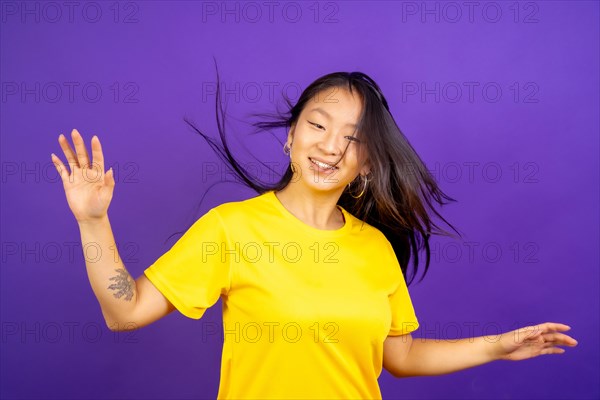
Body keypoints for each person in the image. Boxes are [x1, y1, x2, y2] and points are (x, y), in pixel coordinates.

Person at [51, 71, 578, 399]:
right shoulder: (232, 229)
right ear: (291, 137)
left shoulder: (373, 248)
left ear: (368, 164)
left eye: (353, 139)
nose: (330, 146)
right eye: (318, 124)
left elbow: (401, 358)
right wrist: (93, 221)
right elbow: (124, 313)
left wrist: (495, 347)